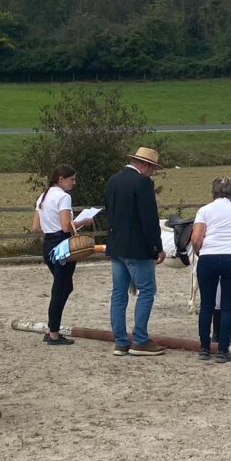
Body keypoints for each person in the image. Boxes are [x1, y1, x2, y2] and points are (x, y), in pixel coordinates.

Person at [105, 147, 166, 357]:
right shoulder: (142, 182)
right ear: (145, 165)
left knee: (118, 294)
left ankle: (120, 342)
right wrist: (157, 247)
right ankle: (140, 339)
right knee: (147, 291)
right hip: (137, 247)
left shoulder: (113, 180)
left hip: (116, 245)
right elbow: (149, 218)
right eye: (153, 169)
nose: (152, 173)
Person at [33, 165, 94, 346]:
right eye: (71, 179)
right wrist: (84, 221)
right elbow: (66, 226)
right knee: (60, 288)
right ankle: (53, 333)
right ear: (61, 179)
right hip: (62, 245)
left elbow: (36, 227)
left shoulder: (43, 196)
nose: (74, 183)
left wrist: (51, 228)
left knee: (65, 286)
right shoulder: (64, 197)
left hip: (48, 244)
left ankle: (53, 328)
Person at [191, 176, 231, 363]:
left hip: (209, 257)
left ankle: (204, 348)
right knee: (228, 306)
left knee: (206, 305)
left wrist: (201, 254)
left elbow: (196, 238)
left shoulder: (204, 210)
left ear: (212, 191)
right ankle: (223, 350)